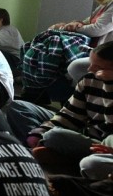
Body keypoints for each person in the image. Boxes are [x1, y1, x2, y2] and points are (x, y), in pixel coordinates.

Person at [27, 41, 113, 179]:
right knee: (50, 133)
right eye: (91, 63)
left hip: (108, 146)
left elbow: (110, 126)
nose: (90, 69)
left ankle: (68, 159)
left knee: (91, 164)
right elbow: (71, 114)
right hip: (91, 140)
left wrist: (109, 85)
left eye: (98, 67)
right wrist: (40, 132)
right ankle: (34, 148)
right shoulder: (89, 80)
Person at [53, 0, 113, 84]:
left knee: (74, 67)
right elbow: (87, 22)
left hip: (105, 54)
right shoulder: (105, 5)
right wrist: (74, 24)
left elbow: (97, 29)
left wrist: (73, 29)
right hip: (93, 49)